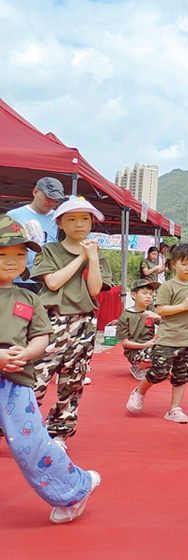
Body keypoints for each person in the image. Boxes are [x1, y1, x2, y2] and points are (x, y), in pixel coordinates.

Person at [0, 214, 101, 524]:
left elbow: (40, 337)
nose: (12, 261)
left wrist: (28, 352)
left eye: (20, 253)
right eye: (2, 254)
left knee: (30, 445)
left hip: (15, 382)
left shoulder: (28, 297)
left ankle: (74, 488)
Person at [31, 197, 112, 448]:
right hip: (51, 321)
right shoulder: (51, 251)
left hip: (84, 323)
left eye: (85, 219)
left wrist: (93, 258)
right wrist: (81, 257)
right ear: (60, 223)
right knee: (36, 376)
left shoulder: (97, 255)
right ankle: (17, 424)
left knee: (73, 379)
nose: (80, 224)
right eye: (72, 219)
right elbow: (53, 282)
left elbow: (95, 289)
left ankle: (59, 431)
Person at [125, 243, 188, 423]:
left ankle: (174, 409)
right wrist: (183, 306)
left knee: (181, 375)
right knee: (158, 371)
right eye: (184, 264)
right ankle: (139, 392)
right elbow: (161, 310)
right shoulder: (168, 286)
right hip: (167, 338)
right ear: (174, 264)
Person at [6, 177, 68, 292]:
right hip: (18, 279)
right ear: (35, 192)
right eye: (48, 198)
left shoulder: (60, 218)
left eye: (56, 200)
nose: (52, 203)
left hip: (48, 279)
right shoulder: (13, 215)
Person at [117, 278, 161, 380]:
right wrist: (144, 345)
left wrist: (158, 317)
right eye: (144, 293)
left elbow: (169, 325)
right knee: (155, 353)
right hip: (135, 351)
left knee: (171, 348)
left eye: (151, 294)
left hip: (150, 346)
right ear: (133, 295)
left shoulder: (151, 311)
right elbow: (125, 343)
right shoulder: (126, 316)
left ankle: (156, 367)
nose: (148, 296)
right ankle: (138, 367)